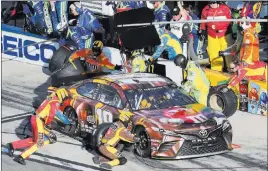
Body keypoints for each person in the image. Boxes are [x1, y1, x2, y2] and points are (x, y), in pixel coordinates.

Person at [5, 88, 71, 165]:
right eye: (66, 98)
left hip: (35, 118)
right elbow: (51, 115)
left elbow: (48, 109)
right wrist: (48, 125)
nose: (65, 100)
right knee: (40, 142)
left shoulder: (51, 97)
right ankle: (21, 157)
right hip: (39, 121)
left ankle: (12, 145)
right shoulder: (56, 102)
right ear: (62, 95)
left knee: (35, 140)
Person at [200, 1, 232, 71]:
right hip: (212, 34)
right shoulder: (206, 9)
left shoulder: (224, 8)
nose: (212, 5)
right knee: (213, 52)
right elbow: (203, 20)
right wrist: (202, 29)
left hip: (223, 34)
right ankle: (216, 69)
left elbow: (229, 20)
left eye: (213, 3)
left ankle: (230, 68)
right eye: (210, 3)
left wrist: (225, 29)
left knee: (227, 51)